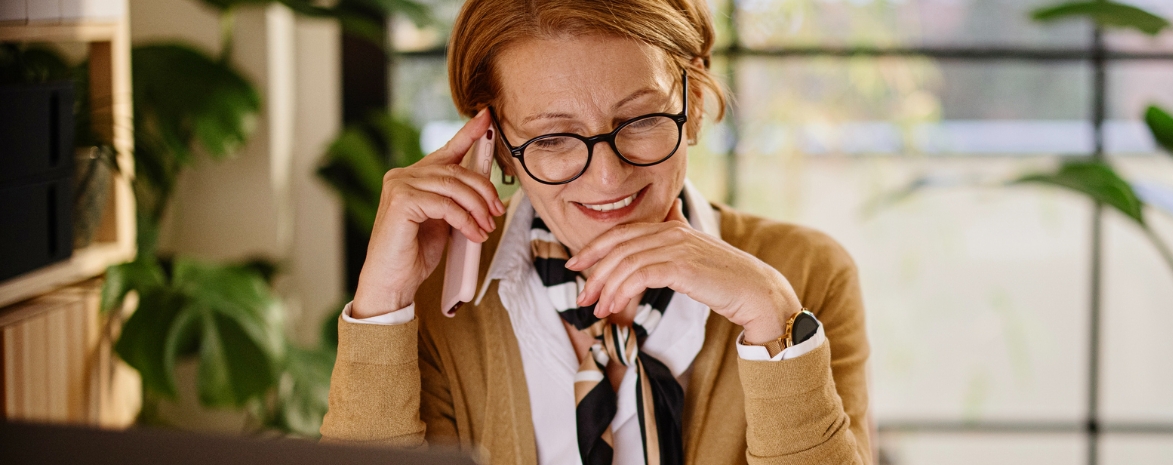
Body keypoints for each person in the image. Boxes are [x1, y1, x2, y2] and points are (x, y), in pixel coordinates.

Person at [318, 0, 872, 464]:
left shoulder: (806, 275)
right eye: (553, 138)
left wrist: (774, 321)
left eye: (642, 120)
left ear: (695, 103)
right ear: (499, 147)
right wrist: (383, 307)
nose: (608, 178)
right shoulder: (437, 300)